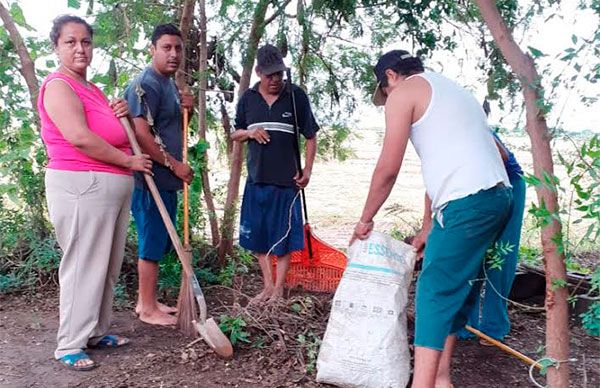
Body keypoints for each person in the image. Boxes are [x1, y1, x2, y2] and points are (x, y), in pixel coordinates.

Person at [351, 50, 513, 388]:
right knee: (459, 288)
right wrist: (427, 226)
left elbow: (388, 168)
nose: (388, 99)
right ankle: (440, 379)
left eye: (385, 90)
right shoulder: (450, 90)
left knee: (434, 292)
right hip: (498, 197)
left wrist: (365, 219)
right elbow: (463, 161)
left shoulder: (404, 92)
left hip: (467, 202)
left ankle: (422, 384)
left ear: (391, 76)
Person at [39, 15, 152, 371]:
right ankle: (69, 343)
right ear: (56, 47)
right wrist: (128, 161)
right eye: (70, 42)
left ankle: (95, 332)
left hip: (110, 186)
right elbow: (80, 137)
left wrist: (119, 113)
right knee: (84, 263)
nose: (80, 48)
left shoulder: (91, 88)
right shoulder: (59, 85)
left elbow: (109, 129)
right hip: (80, 184)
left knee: (106, 265)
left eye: (85, 41)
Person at [231, 44, 319, 303]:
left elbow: (311, 137)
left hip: (287, 182)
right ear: (258, 72)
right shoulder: (248, 99)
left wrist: (307, 171)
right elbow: (235, 133)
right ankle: (268, 287)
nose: (276, 80)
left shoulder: (295, 96)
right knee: (259, 237)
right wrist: (250, 133)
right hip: (257, 179)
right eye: (270, 75)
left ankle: (279, 289)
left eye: (279, 74)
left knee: (283, 238)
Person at [124, 23, 194, 326]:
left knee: (161, 241)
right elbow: (140, 134)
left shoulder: (167, 84)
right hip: (149, 178)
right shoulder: (145, 84)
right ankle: (147, 308)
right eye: (166, 47)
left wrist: (184, 107)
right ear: (152, 49)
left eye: (178, 48)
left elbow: (167, 126)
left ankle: (147, 301)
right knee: (152, 241)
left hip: (166, 179)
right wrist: (173, 164)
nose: (173, 54)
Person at [457, 130, 526, 342]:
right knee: (474, 253)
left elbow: (501, 156)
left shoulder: (471, 124)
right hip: (476, 189)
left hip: (507, 185)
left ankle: (494, 327)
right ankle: (466, 324)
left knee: (500, 256)